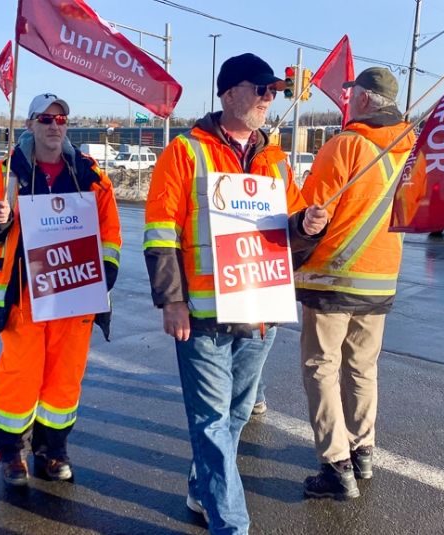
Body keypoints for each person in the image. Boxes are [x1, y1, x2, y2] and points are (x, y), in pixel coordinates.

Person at [144, 53, 328, 533]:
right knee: (211, 423)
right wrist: (172, 301)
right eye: (261, 89)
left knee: (236, 415)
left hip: (259, 313)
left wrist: (306, 227)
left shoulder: (276, 160)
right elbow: (161, 234)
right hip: (202, 317)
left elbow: (287, 238)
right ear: (229, 94)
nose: (270, 98)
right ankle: (232, 526)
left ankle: (200, 487)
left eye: (274, 92)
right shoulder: (185, 152)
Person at [0, 94, 121, 487]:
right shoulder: (6, 174)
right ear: (30, 125)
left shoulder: (91, 175)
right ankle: (11, 455)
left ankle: (52, 452)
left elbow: (111, 233)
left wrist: (103, 272)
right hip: (23, 298)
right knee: (18, 378)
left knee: (64, 379)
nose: (55, 126)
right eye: (46, 119)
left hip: (75, 295)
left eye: (61, 120)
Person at [294, 67, 416, 500]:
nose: (346, 100)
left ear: (363, 99)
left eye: (351, 94)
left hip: (333, 275)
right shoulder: (410, 149)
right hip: (381, 278)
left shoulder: (344, 146)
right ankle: (363, 451)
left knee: (321, 368)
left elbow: (311, 212)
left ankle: (335, 465)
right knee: (363, 367)